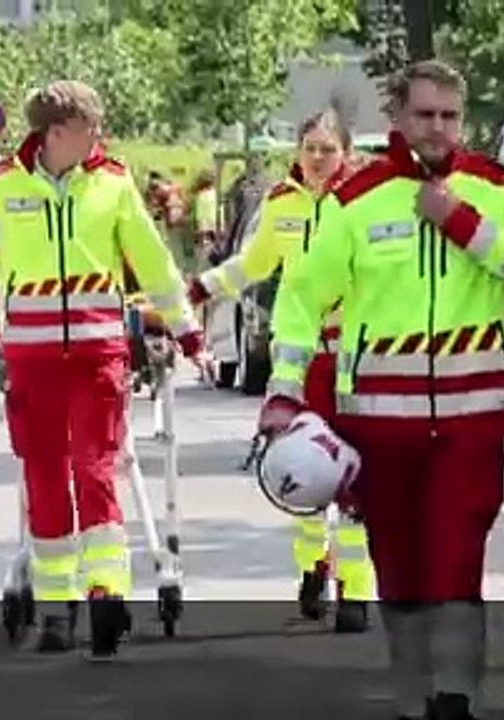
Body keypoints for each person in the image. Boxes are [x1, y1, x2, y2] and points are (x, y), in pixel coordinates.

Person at [257, 60, 504, 720]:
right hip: (379, 425)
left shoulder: (496, 188)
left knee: (455, 567)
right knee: (400, 575)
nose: (438, 128)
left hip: (472, 424)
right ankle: (410, 701)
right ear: (396, 118)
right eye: (424, 115)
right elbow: (301, 300)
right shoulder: (355, 198)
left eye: (450, 115)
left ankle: (457, 701)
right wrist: (285, 391)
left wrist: (465, 224)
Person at [0, 80, 206, 659]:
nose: (98, 137)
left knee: (95, 469)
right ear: (56, 133)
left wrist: (186, 330)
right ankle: (58, 606)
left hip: (98, 355)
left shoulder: (112, 185)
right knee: (43, 475)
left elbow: (154, 263)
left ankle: (107, 592)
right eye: (89, 129)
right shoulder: (4, 186)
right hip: (32, 359)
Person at [186, 108, 375, 631]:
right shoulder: (280, 203)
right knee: (305, 470)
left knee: (357, 476)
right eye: (310, 147)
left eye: (328, 149)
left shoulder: (362, 200)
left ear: (346, 152)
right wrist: (201, 287)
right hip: (300, 358)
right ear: (297, 151)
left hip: (357, 357)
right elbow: (253, 264)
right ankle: (313, 571)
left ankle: (356, 592)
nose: (317, 158)